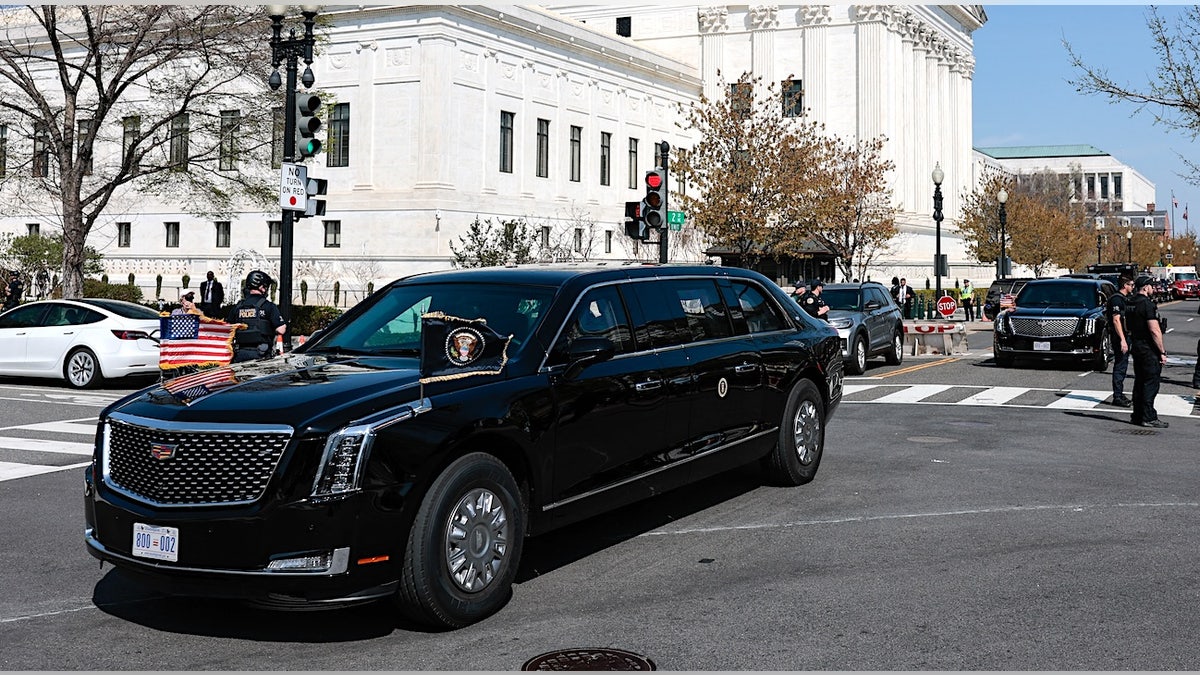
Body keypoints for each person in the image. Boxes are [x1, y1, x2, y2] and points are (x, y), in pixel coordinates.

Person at [1126, 276, 1168, 428]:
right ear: (1145, 287)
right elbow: (1154, 330)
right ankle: (1148, 416)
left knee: (1139, 381)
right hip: (1148, 347)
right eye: (1151, 285)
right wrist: (1162, 351)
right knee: (1150, 383)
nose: (1153, 288)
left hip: (1136, 345)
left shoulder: (1130, 303)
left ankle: (1137, 415)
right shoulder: (1147, 304)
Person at [227, 270, 286, 363]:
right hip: (261, 354)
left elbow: (228, 328)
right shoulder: (268, 306)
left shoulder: (238, 307)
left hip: (239, 353)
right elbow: (281, 329)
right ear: (262, 287)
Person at [1105, 275, 1135, 408]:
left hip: (1126, 335)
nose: (1132, 287)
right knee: (1120, 366)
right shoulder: (1116, 299)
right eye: (1131, 285)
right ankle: (1117, 396)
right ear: (1125, 285)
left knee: (1123, 366)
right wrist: (1123, 339)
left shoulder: (1124, 299)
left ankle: (1120, 393)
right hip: (1120, 337)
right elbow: (1116, 320)